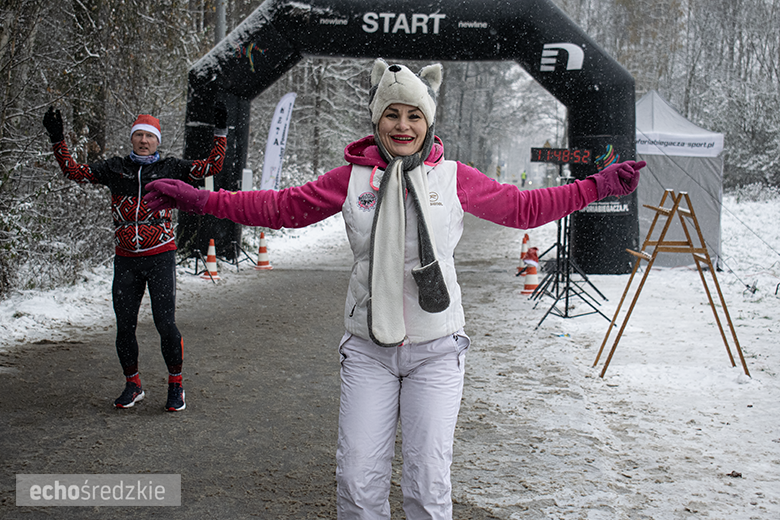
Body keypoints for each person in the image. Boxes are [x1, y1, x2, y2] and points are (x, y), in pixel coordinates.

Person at [143, 59, 645, 518]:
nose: (402, 125)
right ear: (376, 120)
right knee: (358, 483)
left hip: (437, 349)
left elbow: (525, 208)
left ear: (428, 123)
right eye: (392, 115)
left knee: (428, 486)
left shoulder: (452, 178)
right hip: (367, 349)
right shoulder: (352, 179)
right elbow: (277, 208)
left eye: (414, 116)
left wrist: (597, 185)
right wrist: (197, 200)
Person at [42, 103, 228, 412]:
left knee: (165, 324)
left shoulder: (170, 167)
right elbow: (74, 172)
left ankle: (176, 385)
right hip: (126, 258)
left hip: (161, 257)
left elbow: (211, 167)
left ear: (158, 140)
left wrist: (220, 132)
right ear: (132, 139)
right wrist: (57, 139)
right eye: (139, 135)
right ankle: (133, 385)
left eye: (149, 136)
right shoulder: (115, 168)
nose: (144, 141)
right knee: (124, 326)